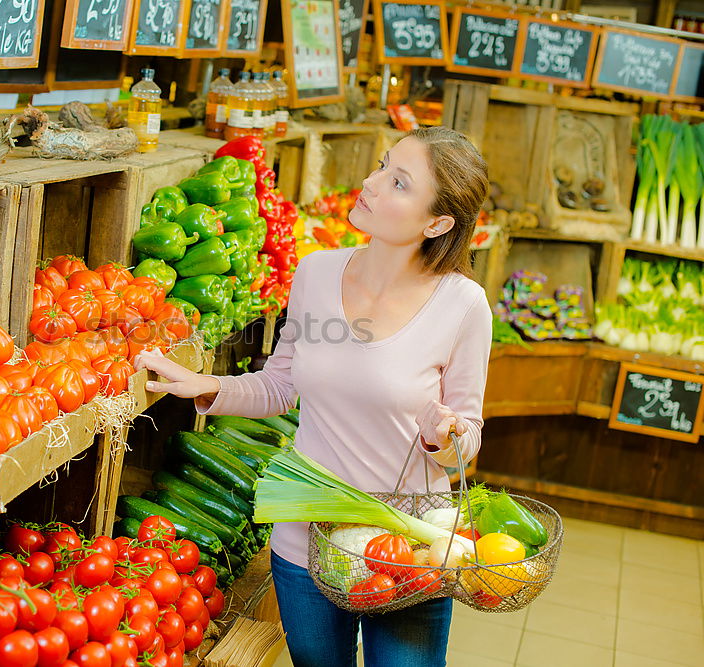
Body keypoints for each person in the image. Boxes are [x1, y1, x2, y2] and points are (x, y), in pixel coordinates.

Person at [134, 126, 492, 667]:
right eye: (380, 165)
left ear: (437, 222)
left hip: (408, 548)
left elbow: (468, 440)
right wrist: (207, 387)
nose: (370, 184)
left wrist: (445, 439)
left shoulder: (464, 306)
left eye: (398, 182)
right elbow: (281, 385)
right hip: (307, 542)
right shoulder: (316, 272)